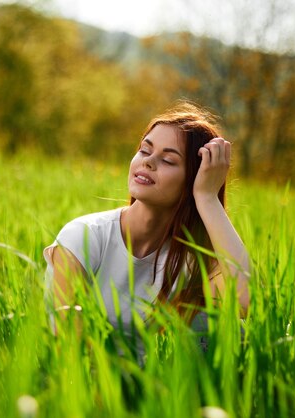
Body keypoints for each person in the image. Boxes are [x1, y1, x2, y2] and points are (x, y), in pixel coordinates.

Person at [43, 102, 250, 339]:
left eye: (168, 160)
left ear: (194, 180)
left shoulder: (187, 259)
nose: (148, 162)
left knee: (232, 331)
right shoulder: (84, 236)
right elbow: (68, 340)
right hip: (78, 373)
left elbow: (243, 302)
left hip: (151, 374)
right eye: (144, 150)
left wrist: (207, 198)